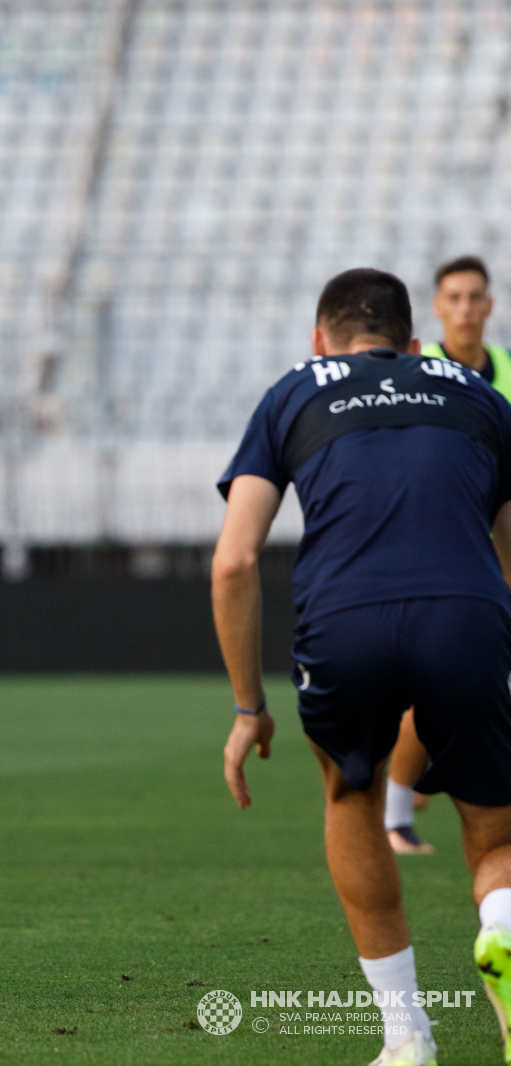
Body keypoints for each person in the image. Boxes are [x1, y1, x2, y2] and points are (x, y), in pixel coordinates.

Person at [215, 267, 511, 1066]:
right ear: (415, 344)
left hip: (344, 620)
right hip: (468, 612)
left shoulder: (295, 390)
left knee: (352, 794)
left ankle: (407, 1036)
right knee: (494, 832)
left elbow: (235, 563)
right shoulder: (476, 390)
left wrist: (249, 709)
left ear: (322, 342)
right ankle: (503, 923)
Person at [386, 255, 511, 854]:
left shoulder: (508, 371)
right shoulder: (417, 370)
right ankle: (395, 813)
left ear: (490, 305)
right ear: (436, 306)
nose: (464, 308)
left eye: (474, 297)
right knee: (436, 687)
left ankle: (410, 799)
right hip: (438, 552)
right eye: (453, 298)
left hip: (499, 552)